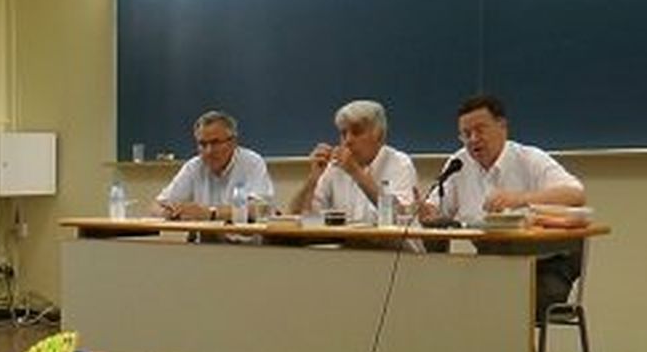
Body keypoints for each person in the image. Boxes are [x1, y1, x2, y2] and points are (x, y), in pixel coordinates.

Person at [422, 94, 587, 316]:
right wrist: (427, 211)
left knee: (502, 305)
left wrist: (520, 199)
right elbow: (436, 211)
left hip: (547, 264)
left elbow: (576, 194)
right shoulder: (459, 163)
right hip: (494, 263)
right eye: (466, 134)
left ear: (502, 126)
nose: (473, 139)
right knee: (449, 298)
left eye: (480, 130)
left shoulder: (529, 158)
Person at [289, 100, 418, 224]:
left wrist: (356, 172)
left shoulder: (400, 163)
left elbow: (402, 217)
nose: (348, 141)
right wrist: (312, 180)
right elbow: (296, 215)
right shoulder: (335, 167)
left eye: (356, 132)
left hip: (392, 246)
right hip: (349, 245)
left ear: (379, 136)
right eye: (344, 133)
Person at [152, 110, 274, 220]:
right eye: (203, 144)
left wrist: (210, 213)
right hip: (205, 243)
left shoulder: (252, 162)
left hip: (244, 243)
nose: (209, 151)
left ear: (233, 142)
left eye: (215, 143)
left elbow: (259, 209)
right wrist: (172, 212)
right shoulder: (194, 166)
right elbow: (157, 206)